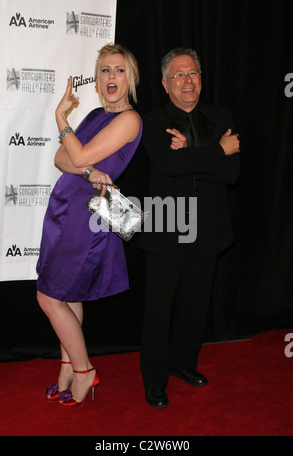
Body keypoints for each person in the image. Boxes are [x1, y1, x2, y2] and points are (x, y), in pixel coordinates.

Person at [36, 44, 142, 408]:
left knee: (48, 296)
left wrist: (61, 118)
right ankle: (67, 368)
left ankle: (83, 370)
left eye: (119, 70)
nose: (111, 77)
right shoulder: (97, 113)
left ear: (131, 78)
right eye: (104, 71)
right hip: (65, 208)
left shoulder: (129, 120)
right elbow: (59, 158)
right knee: (68, 294)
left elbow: (75, 154)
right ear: (96, 81)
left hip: (86, 217)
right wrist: (88, 168)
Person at [138, 47, 241, 408]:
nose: (187, 80)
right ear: (165, 84)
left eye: (193, 73)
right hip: (166, 223)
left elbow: (232, 173)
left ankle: (183, 364)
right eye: (179, 75)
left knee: (196, 306)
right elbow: (168, 164)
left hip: (209, 227)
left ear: (201, 79)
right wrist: (216, 150)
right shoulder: (150, 121)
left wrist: (191, 152)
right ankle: (154, 380)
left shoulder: (221, 115)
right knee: (159, 309)